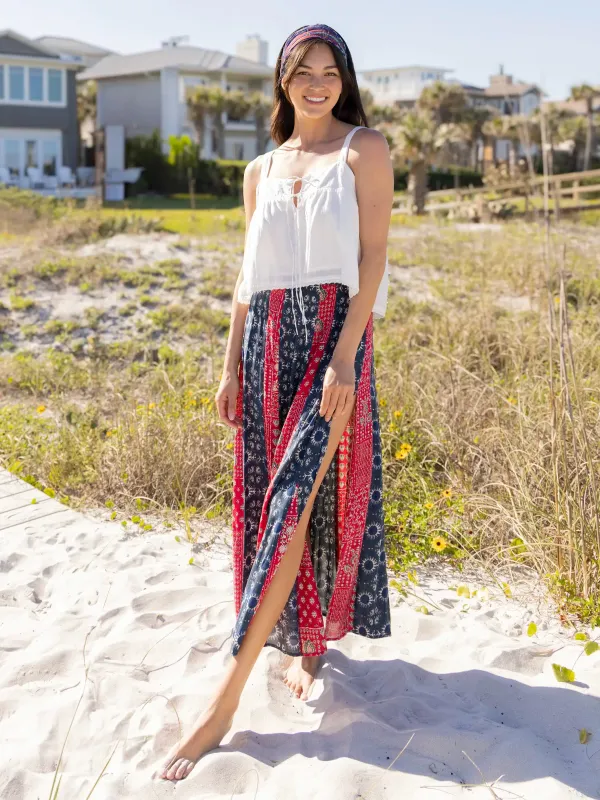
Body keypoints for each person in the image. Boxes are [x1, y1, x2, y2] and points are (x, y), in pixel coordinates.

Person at [158, 22, 393, 783]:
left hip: (331, 337)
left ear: (344, 80)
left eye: (330, 72)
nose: (317, 84)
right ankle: (304, 644)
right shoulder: (259, 169)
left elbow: (373, 258)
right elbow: (246, 276)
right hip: (263, 345)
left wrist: (346, 358)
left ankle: (223, 703)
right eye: (303, 72)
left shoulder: (364, 149)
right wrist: (229, 364)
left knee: (295, 500)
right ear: (283, 82)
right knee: (278, 504)